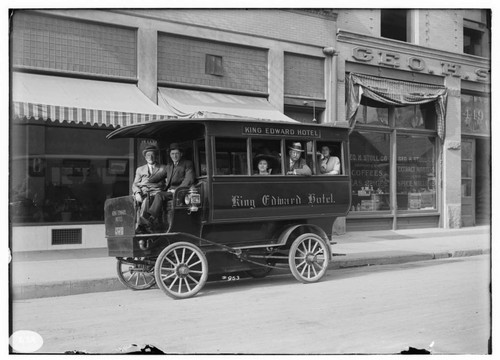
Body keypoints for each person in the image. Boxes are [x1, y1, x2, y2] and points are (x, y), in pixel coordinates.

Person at [142, 143, 195, 230]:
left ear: (181, 154)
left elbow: (189, 180)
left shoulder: (187, 164)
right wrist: (145, 181)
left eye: (177, 154)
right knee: (153, 197)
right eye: (172, 154)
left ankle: (151, 219)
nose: (174, 156)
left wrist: (177, 190)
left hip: (181, 193)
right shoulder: (169, 166)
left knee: (159, 195)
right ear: (170, 155)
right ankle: (152, 222)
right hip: (170, 192)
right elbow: (157, 178)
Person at [132, 145, 168, 231]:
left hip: (157, 192)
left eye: (152, 155)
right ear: (145, 157)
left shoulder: (163, 168)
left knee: (147, 201)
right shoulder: (140, 169)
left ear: (156, 156)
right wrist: (137, 193)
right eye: (148, 155)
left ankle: (142, 226)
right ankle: (144, 225)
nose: (150, 157)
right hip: (144, 193)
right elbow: (135, 184)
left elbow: (167, 182)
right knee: (144, 201)